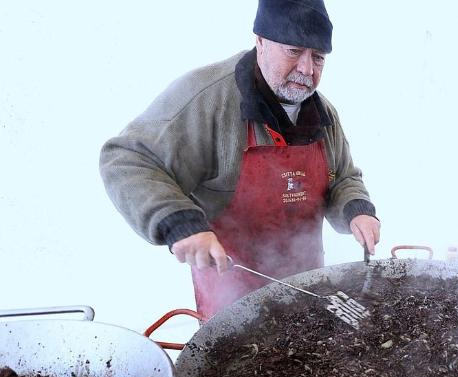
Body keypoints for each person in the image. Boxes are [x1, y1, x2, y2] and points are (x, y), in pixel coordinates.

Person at [99, 0, 381, 320]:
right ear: (260, 41)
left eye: (318, 57)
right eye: (293, 50)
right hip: (230, 300)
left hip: (307, 292)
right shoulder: (207, 99)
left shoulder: (322, 113)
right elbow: (128, 159)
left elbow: (342, 177)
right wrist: (179, 222)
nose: (307, 68)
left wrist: (356, 210)